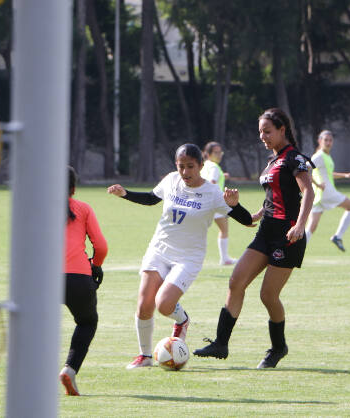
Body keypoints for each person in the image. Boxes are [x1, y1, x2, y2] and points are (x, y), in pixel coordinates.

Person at [107, 143, 253, 369]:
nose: (185, 172)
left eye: (190, 167)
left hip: (188, 258)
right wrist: (124, 193)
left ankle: (182, 320)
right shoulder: (171, 181)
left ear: (201, 166)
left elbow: (247, 221)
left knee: (164, 305)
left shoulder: (213, 193)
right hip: (159, 249)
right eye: (181, 166)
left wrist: (235, 205)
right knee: (145, 305)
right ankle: (144, 356)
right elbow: (150, 198)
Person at [193, 108, 314, 369]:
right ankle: (220, 344)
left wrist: (301, 225)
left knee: (268, 295)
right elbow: (259, 213)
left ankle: (278, 347)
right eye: (260, 132)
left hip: (287, 236)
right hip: (265, 233)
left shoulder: (295, 159)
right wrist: (236, 206)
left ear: (283, 129)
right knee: (236, 281)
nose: (263, 136)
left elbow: (309, 193)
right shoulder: (272, 162)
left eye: (267, 131)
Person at [59, 166, 108, 396]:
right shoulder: (83, 208)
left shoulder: (36, 208)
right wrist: (95, 265)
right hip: (78, 277)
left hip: (42, 279)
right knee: (87, 322)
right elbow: (101, 246)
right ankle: (69, 369)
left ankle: (30, 375)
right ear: (74, 189)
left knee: (34, 327)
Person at [305, 130, 350, 252]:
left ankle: (296, 250)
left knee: (311, 227)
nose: (328, 142)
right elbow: (305, 168)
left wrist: (345, 176)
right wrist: (317, 184)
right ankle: (337, 237)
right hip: (327, 192)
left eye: (330, 140)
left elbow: (328, 174)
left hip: (319, 196)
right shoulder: (319, 156)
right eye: (325, 140)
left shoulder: (326, 156)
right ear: (320, 141)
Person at [201, 141, 237, 265]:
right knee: (224, 229)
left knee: (198, 231)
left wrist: (223, 176)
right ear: (208, 154)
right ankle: (224, 258)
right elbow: (211, 182)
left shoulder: (205, 165)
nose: (219, 155)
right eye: (216, 153)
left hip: (202, 202)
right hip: (215, 204)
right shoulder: (214, 167)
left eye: (220, 152)